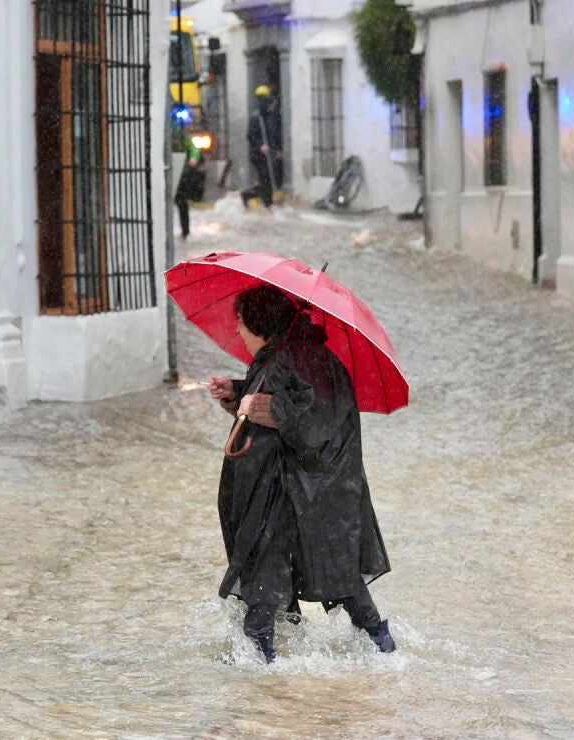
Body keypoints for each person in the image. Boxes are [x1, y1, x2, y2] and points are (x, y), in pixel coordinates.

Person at [208, 284, 394, 663]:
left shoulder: (292, 357)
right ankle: (382, 648)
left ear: (258, 322)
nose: (238, 330)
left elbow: (313, 416)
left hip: (298, 489)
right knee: (332, 570)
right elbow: (292, 397)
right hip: (309, 488)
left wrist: (265, 408)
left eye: (240, 321)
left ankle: (258, 667)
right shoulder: (293, 354)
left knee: (269, 566)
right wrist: (239, 392)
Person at [240, 86, 284, 209]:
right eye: (271, 105)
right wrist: (260, 146)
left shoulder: (270, 118)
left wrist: (277, 150)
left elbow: (273, 136)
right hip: (257, 154)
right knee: (265, 177)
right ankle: (265, 202)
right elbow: (250, 136)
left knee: (268, 178)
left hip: (268, 153)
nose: (273, 107)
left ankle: (254, 197)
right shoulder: (256, 118)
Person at [174, 128, 205, 240]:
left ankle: (185, 231)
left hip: (181, 174)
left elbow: (194, 149)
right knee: (180, 203)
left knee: (182, 203)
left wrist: (193, 158)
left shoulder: (182, 137)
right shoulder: (169, 135)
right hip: (171, 174)